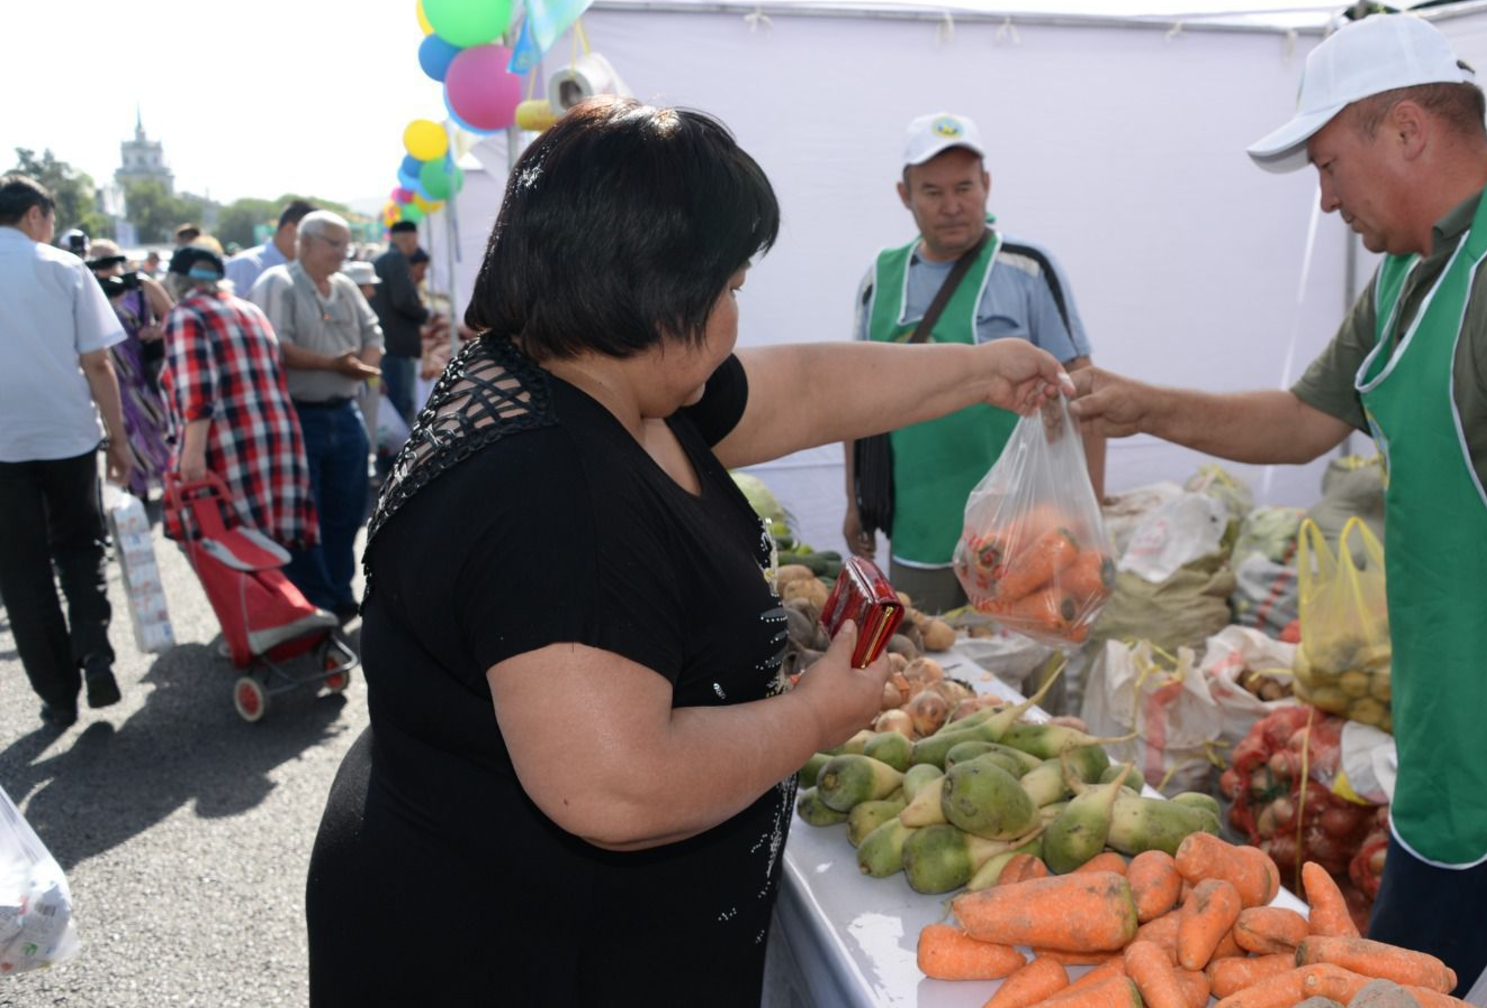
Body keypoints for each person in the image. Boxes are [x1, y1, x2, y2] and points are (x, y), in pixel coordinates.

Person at [305, 97, 1072, 1005]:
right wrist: (818, 715)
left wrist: (983, 370)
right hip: (511, 952)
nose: (737, 315)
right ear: (656, 288)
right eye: (733, 288)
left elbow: (803, 388)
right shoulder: (548, 480)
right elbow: (617, 788)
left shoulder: (579, 370)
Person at [1069, 14, 1487, 991]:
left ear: (1406, 129)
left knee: (1430, 975)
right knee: (1413, 966)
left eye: (1328, 166)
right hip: (1454, 702)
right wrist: (1141, 405)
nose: (1324, 201)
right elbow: (1308, 420)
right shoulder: (1410, 269)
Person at [843, 111, 1103, 613]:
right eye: (933, 191)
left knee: (1023, 671)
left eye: (965, 187)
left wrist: (1087, 512)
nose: (953, 206)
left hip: (1022, 530)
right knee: (930, 670)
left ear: (987, 184)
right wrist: (854, 502)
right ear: (905, 195)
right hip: (918, 530)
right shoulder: (880, 279)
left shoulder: (1027, 269)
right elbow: (853, 400)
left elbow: (1086, 393)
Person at [0, 174, 131, 726]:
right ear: (35, 215)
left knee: (21, 570)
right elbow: (98, 363)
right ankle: (95, 653)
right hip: (68, 434)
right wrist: (120, 440)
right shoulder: (63, 266)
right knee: (80, 547)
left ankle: (57, 694)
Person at [250, 211, 381, 623]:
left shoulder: (343, 286)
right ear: (305, 243)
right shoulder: (279, 283)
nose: (345, 253)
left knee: (348, 509)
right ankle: (310, 602)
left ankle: (338, 592)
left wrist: (362, 367)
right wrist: (336, 364)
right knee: (306, 514)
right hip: (297, 417)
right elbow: (276, 345)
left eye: (346, 244)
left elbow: (373, 335)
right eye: (335, 244)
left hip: (344, 412)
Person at [160, 245, 316, 553]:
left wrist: (192, 452)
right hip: (275, 439)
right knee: (271, 548)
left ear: (175, 280)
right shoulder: (249, 310)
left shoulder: (187, 315)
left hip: (227, 444)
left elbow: (197, 388)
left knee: (232, 552)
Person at [86, 239, 176, 501]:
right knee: (125, 430)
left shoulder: (140, 284)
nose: (105, 266)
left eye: (109, 258)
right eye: (98, 258)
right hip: (112, 373)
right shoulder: (88, 288)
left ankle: (170, 483)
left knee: (160, 426)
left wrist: (157, 330)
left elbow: (173, 315)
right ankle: (137, 489)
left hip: (146, 371)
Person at [368, 221, 431, 425]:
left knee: (396, 405)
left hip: (388, 343)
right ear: (407, 239)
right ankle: (400, 456)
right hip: (396, 344)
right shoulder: (397, 259)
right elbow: (403, 301)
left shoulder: (380, 258)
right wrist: (425, 315)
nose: (415, 247)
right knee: (400, 406)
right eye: (414, 241)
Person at [224, 198, 314, 294]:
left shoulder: (308, 271)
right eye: (312, 236)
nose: (315, 244)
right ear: (290, 229)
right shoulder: (246, 265)